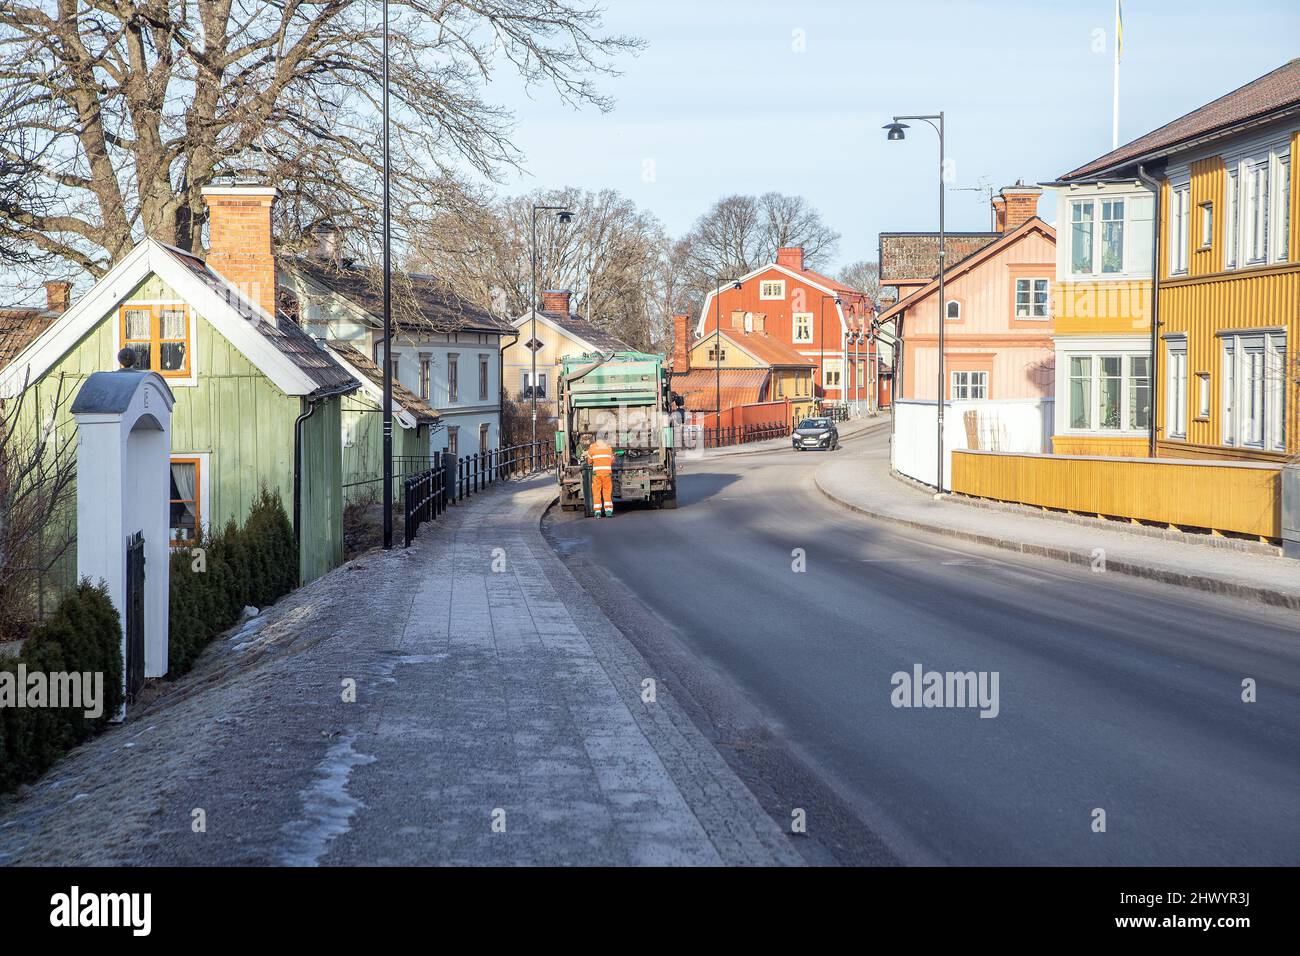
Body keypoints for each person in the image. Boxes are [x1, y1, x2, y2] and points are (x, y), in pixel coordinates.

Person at [582, 433, 615, 518]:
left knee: (596, 492)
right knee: (607, 492)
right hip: (607, 474)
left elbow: (589, 461)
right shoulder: (608, 447)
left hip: (597, 474)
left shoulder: (592, 448)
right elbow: (612, 461)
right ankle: (608, 512)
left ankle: (597, 512)